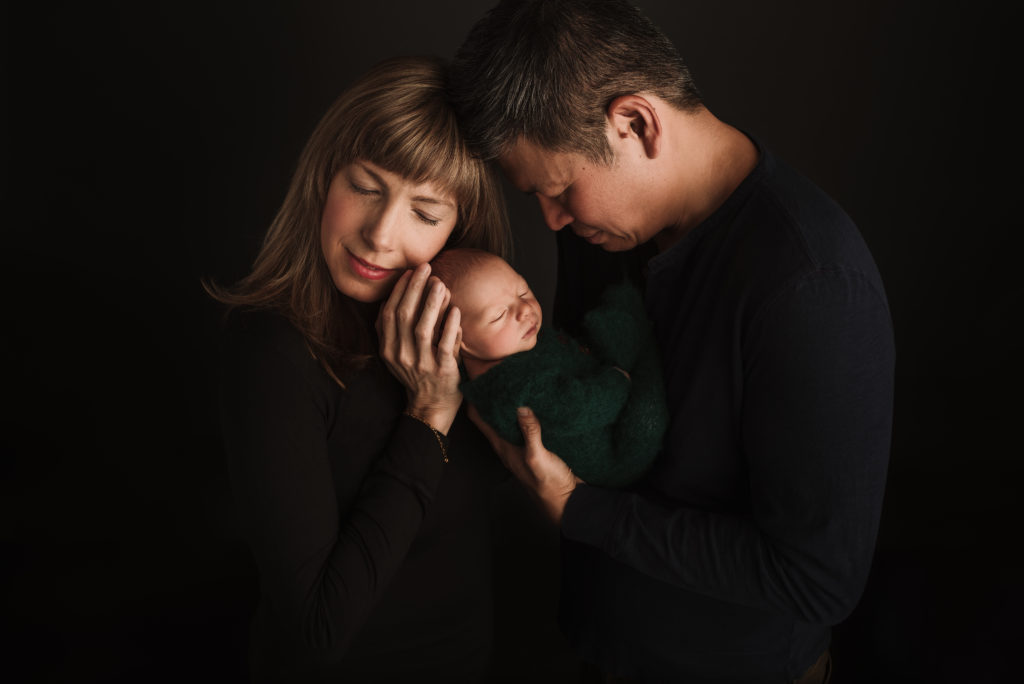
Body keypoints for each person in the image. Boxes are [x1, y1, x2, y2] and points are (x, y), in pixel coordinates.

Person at [448, 1, 896, 682]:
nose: (552, 219)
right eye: (538, 197)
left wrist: (580, 511)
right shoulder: (599, 230)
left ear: (635, 123)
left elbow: (818, 580)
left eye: (562, 190)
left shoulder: (811, 284)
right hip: (596, 646)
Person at [206, 56, 513, 682]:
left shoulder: (475, 338)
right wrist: (427, 416)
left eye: (425, 214)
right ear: (325, 177)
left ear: (459, 232)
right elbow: (320, 628)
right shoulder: (273, 351)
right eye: (367, 188)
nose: (379, 234)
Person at [430, 247, 668, 488]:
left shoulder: (510, 346)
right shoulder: (511, 387)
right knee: (648, 398)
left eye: (522, 292)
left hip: (593, 391)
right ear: (460, 340)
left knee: (618, 324)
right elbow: (577, 409)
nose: (524, 309)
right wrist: (618, 380)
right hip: (617, 454)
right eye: (499, 315)